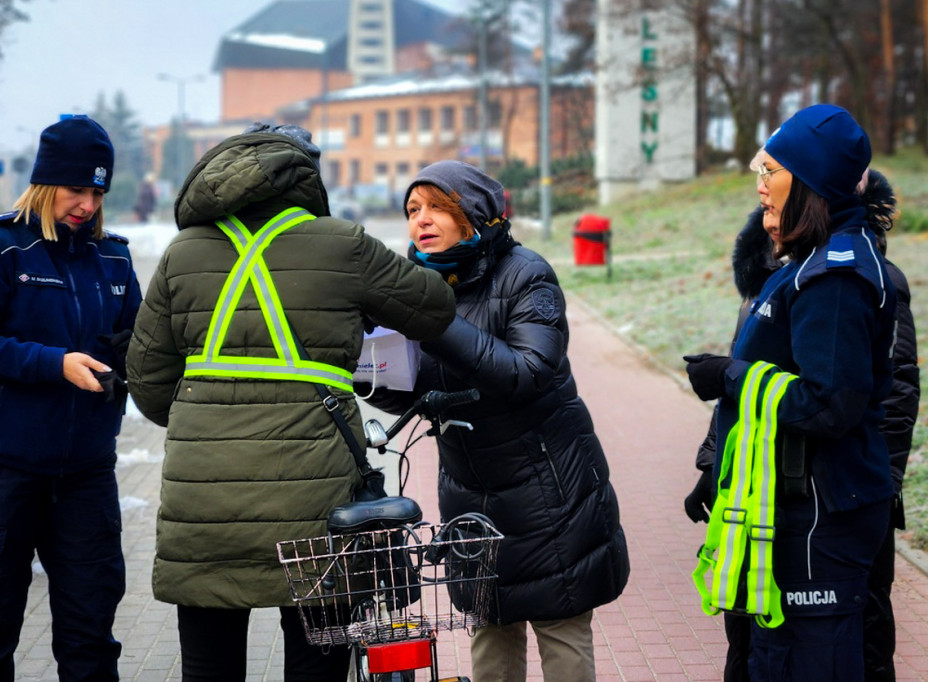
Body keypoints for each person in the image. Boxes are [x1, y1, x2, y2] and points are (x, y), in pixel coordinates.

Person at [123, 124, 455, 682]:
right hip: (315, 503)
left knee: (208, 668)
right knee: (316, 664)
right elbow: (433, 310)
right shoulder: (342, 243)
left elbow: (148, 381)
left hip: (204, 510)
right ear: (305, 176)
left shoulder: (183, 253)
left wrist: (209, 420)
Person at [361, 160, 630, 681]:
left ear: (474, 215)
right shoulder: (415, 283)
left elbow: (526, 373)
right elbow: (418, 394)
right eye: (413, 209)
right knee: (489, 632)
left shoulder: (528, 274)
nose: (422, 220)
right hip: (470, 491)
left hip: (550, 492)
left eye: (438, 206)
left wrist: (433, 322)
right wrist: (367, 370)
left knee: (561, 628)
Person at [684, 104, 897, 680]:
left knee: (808, 665)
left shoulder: (834, 276)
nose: (760, 188)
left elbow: (830, 403)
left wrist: (728, 375)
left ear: (808, 180)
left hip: (821, 514)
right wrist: (719, 467)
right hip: (794, 504)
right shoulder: (804, 264)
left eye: (771, 171)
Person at [0, 115, 142, 680]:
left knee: (91, 639)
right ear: (46, 183)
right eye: (76, 189)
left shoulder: (115, 258)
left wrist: (130, 363)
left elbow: (135, 341)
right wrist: (54, 364)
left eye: (98, 192)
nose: (87, 204)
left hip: (85, 476)